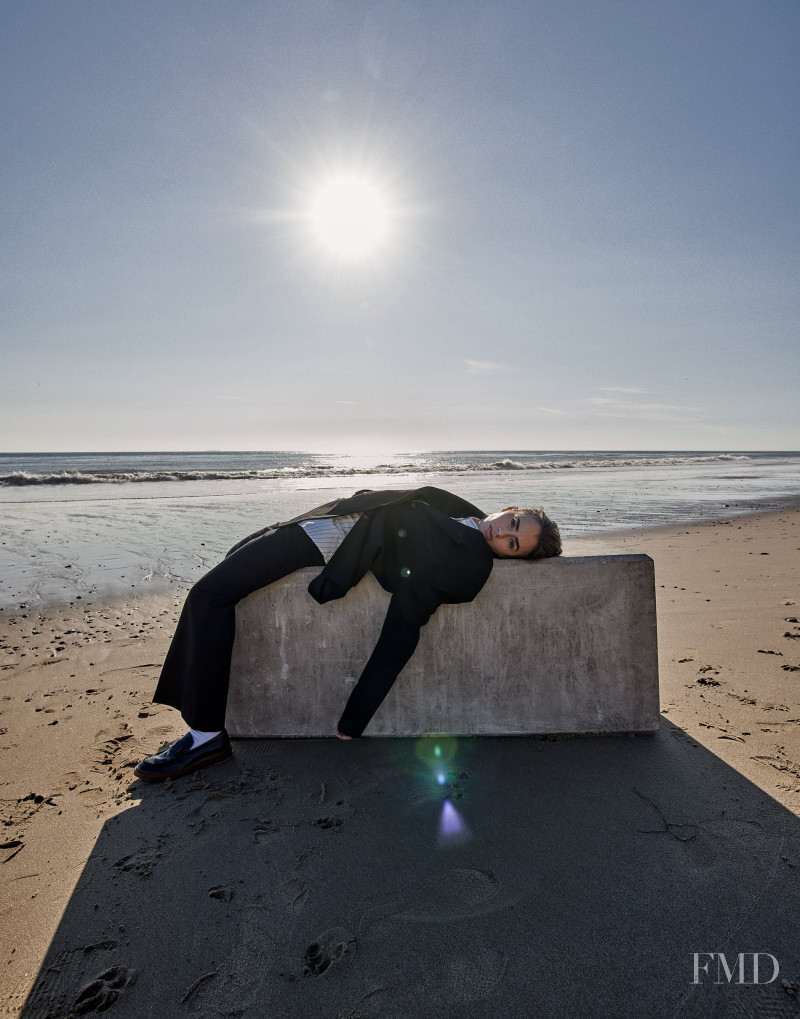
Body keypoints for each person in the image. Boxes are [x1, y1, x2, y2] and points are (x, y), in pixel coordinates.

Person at [134, 486, 561, 781]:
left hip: (320, 545)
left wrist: (356, 716)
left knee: (208, 595)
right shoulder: (462, 509)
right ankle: (202, 732)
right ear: (511, 506)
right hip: (316, 520)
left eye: (512, 544)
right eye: (514, 522)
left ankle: (206, 737)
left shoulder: (468, 566)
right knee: (220, 577)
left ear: (508, 557)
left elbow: (405, 626)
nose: (502, 532)